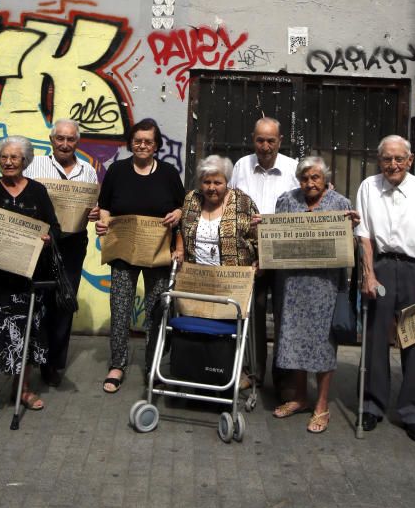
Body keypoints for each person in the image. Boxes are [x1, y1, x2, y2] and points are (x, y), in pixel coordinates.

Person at [355, 134, 415, 442]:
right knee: (375, 339)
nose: (392, 164)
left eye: (398, 159)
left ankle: (414, 413)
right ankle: (371, 405)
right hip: (380, 266)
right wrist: (368, 275)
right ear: (379, 160)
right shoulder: (368, 187)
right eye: (386, 158)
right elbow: (364, 236)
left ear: (410, 160)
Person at [0, 136, 60, 417]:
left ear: (24, 161)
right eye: (4, 157)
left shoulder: (38, 192)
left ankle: (23, 389)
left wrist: (47, 238)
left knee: (25, 334)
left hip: (25, 279)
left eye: (14, 157)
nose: (8, 162)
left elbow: (54, 228)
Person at [95, 119, 185, 393]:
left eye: (148, 141)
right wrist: (102, 225)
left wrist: (179, 214)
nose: (143, 145)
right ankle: (117, 364)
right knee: (120, 308)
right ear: (130, 143)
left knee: (156, 310)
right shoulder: (118, 170)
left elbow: (183, 206)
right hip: (123, 249)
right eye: (138, 140)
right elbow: (106, 206)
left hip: (158, 251)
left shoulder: (168, 173)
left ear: (156, 145)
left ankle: (153, 364)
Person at [272, 157, 358, 433]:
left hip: (326, 285)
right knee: (294, 339)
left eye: (315, 177)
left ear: (325, 179)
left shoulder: (340, 204)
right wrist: (262, 227)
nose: (310, 183)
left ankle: (321, 405)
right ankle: (299, 397)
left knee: (322, 343)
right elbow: (276, 237)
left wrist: (353, 228)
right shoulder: (287, 200)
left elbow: (349, 244)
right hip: (293, 283)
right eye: (305, 178)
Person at [24, 119, 99, 387]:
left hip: (73, 243)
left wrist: (95, 212)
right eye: (60, 139)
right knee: (38, 300)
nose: (65, 144)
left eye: (70, 140)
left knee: (63, 301)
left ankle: (53, 364)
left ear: (77, 142)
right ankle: (33, 359)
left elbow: (95, 207)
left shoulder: (88, 171)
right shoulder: (35, 166)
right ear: (51, 139)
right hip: (41, 241)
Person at [229, 117, 298, 391]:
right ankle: (253, 372)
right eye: (260, 140)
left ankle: (284, 378)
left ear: (280, 141)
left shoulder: (293, 168)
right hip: (250, 252)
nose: (265, 146)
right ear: (253, 139)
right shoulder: (241, 166)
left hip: (284, 252)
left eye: (271, 140)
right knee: (252, 314)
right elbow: (231, 203)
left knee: (285, 315)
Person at [180, 155, 258, 268]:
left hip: (232, 278)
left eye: (217, 183)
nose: (211, 188)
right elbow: (180, 227)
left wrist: (260, 262)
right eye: (207, 182)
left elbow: (257, 236)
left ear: (226, 181)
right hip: (196, 277)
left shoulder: (243, 202)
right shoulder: (192, 199)